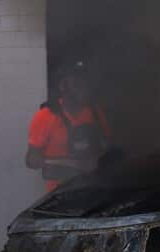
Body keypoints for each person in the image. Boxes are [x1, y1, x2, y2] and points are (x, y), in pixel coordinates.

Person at [25, 60, 111, 194]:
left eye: (85, 83)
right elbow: (31, 160)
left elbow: (106, 147)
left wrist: (97, 160)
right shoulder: (46, 116)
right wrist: (73, 165)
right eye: (76, 84)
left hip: (93, 191)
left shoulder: (95, 112)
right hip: (59, 195)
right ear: (63, 86)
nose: (83, 88)